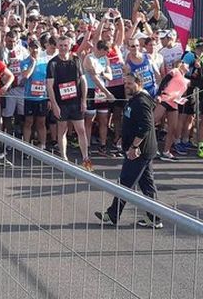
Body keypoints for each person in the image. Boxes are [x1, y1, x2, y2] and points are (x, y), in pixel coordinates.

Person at [95, 73, 162, 228]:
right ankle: (155, 218)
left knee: (125, 183)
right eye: (125, 84)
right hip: (142, 150)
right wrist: (122, 139)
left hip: (140, 151)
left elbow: (145, 126)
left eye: (130, 84)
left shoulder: (141, 102)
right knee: (147, 185)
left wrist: (134, 146)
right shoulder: (135, 100)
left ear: (139, 83)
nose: (126, 86)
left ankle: (112, 215)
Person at [46, 36, 93, 170]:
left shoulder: (76, 60)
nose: (62, 48)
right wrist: (54, 105)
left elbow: (83, 81)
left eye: (65, 45)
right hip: (61, 103)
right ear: (57, 46)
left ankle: (85, 159)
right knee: (62, 130)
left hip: (76, 102)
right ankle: (64, 159)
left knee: (81, 130)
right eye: (60, 45)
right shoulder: (52, 63)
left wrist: (83, 100)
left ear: (70, 46)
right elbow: (49, 85)